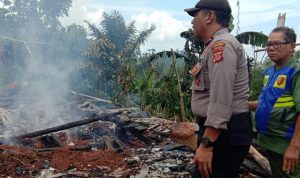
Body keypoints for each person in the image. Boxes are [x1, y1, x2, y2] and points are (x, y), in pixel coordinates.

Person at [184, 0, 252, 177]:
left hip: (223, 134)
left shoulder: (221, 46)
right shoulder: (214, 45)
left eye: (195, 16)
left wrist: (207, 145)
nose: (192, 22)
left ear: (209, 16)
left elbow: (221, 99)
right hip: (221, 132)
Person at [250, 26, 300, 178]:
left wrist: (294, 148)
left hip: (286, 144)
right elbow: (267, 103)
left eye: (276, 44)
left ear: (292, 46)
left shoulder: (296, 71)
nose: (270, 48)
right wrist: (243, 105)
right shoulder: (270, 72)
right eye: (268, 44)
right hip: (269, 141)